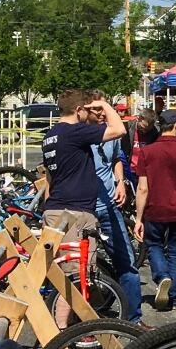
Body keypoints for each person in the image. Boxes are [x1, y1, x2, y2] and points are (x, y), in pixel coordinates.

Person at [38, 90, 125, 243]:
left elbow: (49, 179)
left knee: (60, 265)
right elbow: (119, 130)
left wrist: (46, 209)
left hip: (54, 209)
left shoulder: (50, 136)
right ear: (78, 110)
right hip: (75, 212)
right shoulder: (74, 131)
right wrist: (104, 105)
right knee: (78, 266)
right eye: (86, 109)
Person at [133, 110, 176, 312]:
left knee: (154, 245)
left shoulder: (146, 152)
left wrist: (138, 218)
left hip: (155, 208)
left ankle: (162, 277)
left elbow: (142, 188)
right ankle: (175, 295)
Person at [88, 103, 143, 326]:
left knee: (127, 262)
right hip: (87, 208)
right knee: (83, 267)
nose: (102, 114)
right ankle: (84, 320)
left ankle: (133, 321)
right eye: (97, 110)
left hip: (110, 206)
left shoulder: (111, 134)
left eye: (104, 109)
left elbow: (117, 158)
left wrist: (119, 181)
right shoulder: (81, 135)